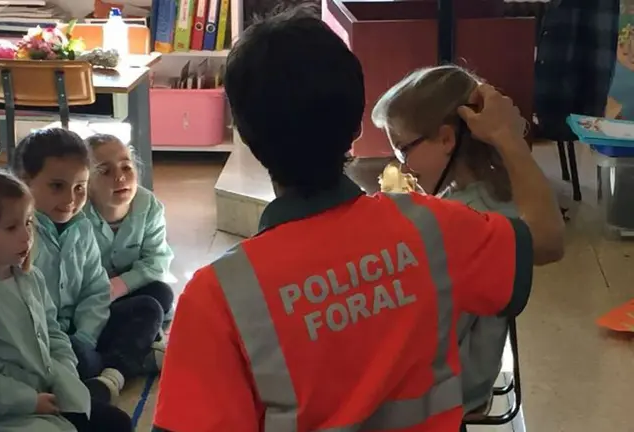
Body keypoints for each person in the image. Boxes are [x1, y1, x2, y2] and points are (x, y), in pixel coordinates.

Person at [153, 5, 564, 432]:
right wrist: (509, 138)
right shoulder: (435, 228)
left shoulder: (217, 299)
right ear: (355, 125)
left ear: (244, 132)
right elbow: (549, 239)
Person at [371, 65, 518, 417]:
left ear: (447, 140)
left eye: (404, 151)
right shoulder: (488, 195)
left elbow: (432, 334)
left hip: (452, 386)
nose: (402, 166)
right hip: (466, 371)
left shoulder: (465, 222)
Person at [0, 170, 132, 432]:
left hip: (47, 394)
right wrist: (30, 401)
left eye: (28, 222)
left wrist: (65, 373)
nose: (26, 236)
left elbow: (53, 332)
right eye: (11, 227)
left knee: (116, 424)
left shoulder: (30, 278)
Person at [13, 128, 163, 390]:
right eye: (57, 186)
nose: (70, 199)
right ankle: (124, 361)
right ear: (25, 181)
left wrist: (84, 336)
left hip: (79, 333)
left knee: (150, 307)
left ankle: (109, 371)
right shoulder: (18, 233)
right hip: (37, 340)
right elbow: (21, 305)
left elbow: (95, 291)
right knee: (78, 362)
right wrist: (66, 346)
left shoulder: (81, 227)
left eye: (79, 187)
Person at [84, 134, 172, 349]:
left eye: (126, 167)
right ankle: (131, 353)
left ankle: (123, 351)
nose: (120, 177)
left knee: (161, 293)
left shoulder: (149, 205)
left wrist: (119, 286)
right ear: (85, 181)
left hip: (128, 293)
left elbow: (157, 262)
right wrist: (101, 293)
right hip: (88, 303)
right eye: (105, 171)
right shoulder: (77, 214)